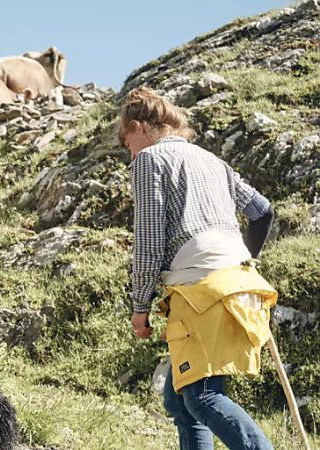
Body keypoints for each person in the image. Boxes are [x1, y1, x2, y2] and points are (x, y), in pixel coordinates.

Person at [120, 86, 277, 450]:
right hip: (238, 282)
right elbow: (263, 211)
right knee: (180, 399)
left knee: (202, 396)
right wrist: (241, 265)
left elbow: (149, 240)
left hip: (201, 291)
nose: (129, 154)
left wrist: (140, 307)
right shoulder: (212, 161)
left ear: (140, 127)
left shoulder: (149, 161)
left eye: (127, 144)